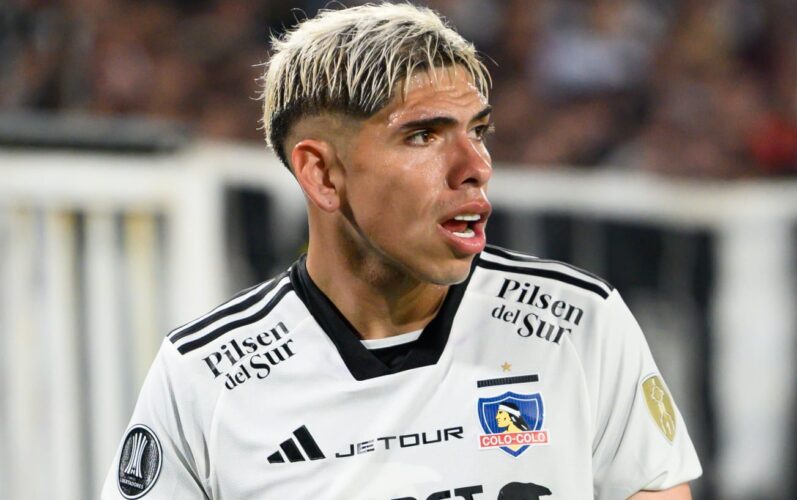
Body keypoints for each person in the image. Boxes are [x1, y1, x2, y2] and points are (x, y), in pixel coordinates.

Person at [102, 3, 701, 499]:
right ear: (322, 175)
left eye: (479, 132)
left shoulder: (577, 323)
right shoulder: (206, 375)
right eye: (422, 135)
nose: (476, 167)